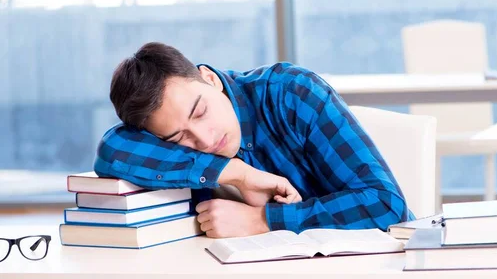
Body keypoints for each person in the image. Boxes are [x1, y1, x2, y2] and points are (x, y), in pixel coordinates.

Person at [94, 42, 414, 238]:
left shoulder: (290, 93)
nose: (204, 140)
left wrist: (263, 220)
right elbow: (110, 152)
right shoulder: (164, 139)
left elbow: (385, 205)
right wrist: (237, 174)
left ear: (209, 79)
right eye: (180, 137)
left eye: (200, 111)